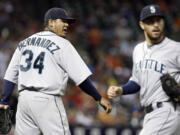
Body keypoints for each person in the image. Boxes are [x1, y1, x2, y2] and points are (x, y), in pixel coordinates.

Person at [0, 7, 112, 135]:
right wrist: (98, 97)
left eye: (67, 22)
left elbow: (10, 76)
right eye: (62, 21)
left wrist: (4, 102)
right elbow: (81, 79)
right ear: (50, 22)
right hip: (47, 100)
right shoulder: (62, 44)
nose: (66, 25)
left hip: (24, 101)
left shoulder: (24, 43)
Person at [107, 4, 180, 135]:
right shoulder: (138, 50)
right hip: (150, 115)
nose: (155, 25)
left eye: (159, 20)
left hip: (167, 110)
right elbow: (136, 81)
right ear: (142, 25)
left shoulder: (176, 49)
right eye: (150, 22)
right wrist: (121, 90)